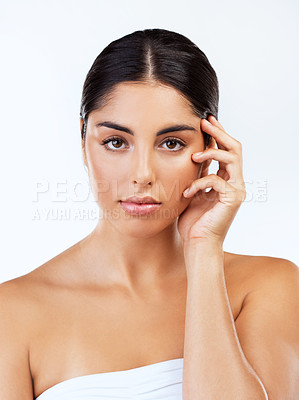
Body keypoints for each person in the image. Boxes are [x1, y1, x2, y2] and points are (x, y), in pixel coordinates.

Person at [0, 28, 298, 400]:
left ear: (210, 147)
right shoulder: (11, 313)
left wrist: (204, 251)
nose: (142, 173)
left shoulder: (268, 286)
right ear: (83, 139)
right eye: (116, 142)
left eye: (171, 143)